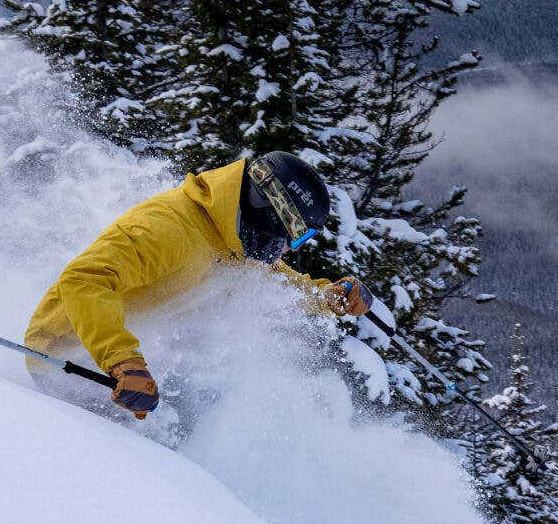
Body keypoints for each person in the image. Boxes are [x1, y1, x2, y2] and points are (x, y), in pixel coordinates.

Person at [25, 151, 371, 419]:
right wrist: (122, 360)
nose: (291, 249)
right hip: (67, 361)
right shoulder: (169, 228)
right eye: (296, 234)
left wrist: (327, 297)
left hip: (133, 367)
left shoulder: (230, 241)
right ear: (270, 211)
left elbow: (276, 282)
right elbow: (84, 278)